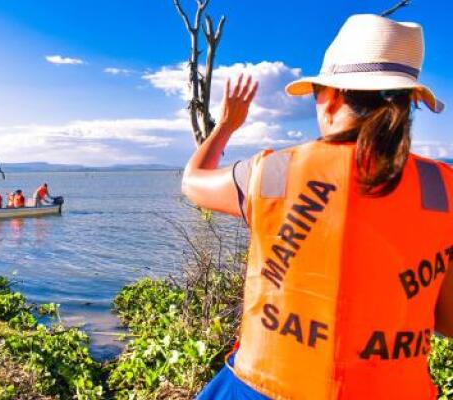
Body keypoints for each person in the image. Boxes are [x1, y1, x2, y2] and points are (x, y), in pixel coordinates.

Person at [183, 15, 453, 400]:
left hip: (264, 389)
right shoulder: (442, 189)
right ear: (410, 104)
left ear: (332, 99)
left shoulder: (274, 173)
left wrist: (227, 125)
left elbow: (192, 182)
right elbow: (448, 318)